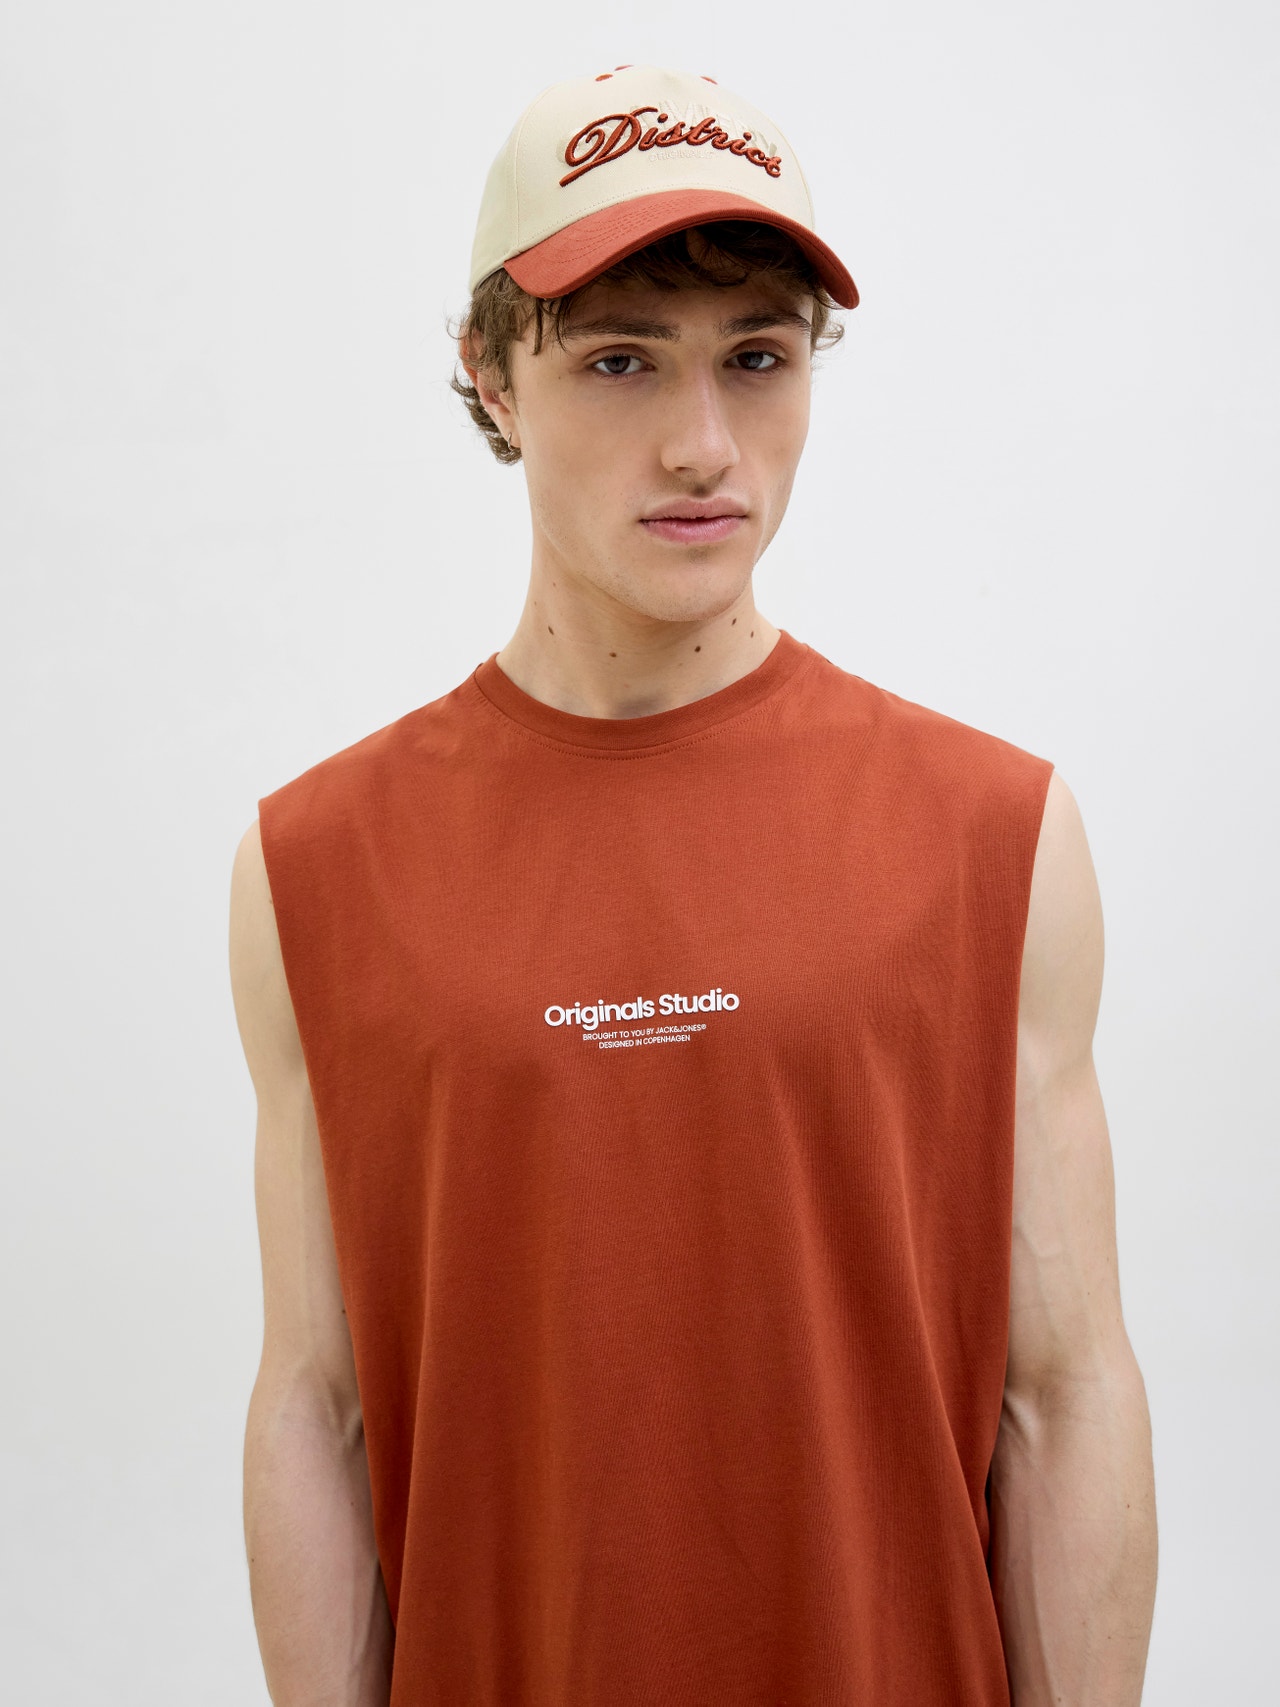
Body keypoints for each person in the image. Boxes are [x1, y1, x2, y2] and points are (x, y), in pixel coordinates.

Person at [229, 62, 1157, 1706]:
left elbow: (1064, 1394)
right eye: (619, 360)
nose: (704, 446)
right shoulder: (318, 866)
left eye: (757, 357)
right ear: (492, 377)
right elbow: (321, 1407)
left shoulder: (993, 835)